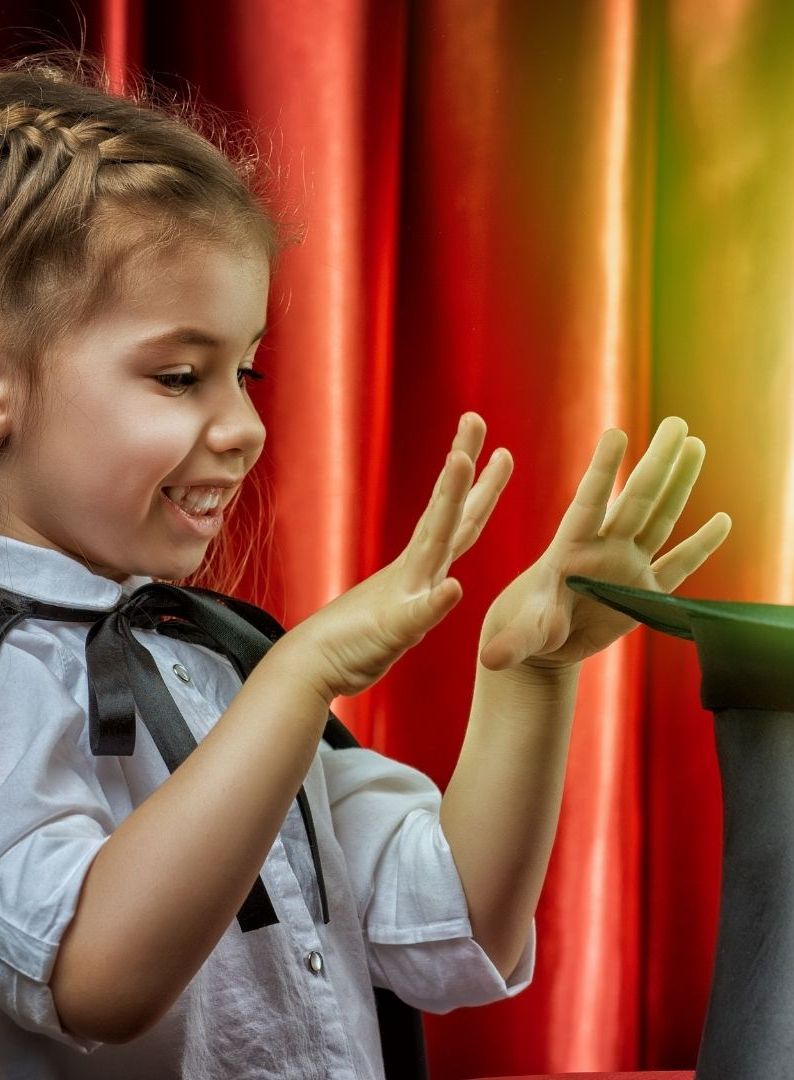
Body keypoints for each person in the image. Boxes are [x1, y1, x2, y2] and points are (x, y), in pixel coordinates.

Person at [0, 53, 732, 1080]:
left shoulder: (223, 663)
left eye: (245, 370)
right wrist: (302, 676)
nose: (246, 426)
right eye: (178, 375)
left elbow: (454, 925)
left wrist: (529, 675)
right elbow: (96, 981)